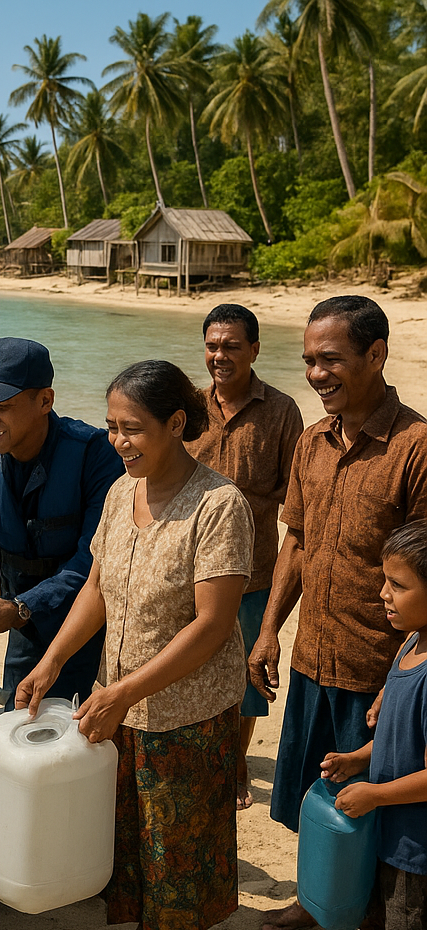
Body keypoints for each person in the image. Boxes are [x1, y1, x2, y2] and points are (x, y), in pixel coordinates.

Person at [17, 360, 253, 930]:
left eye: (134, 428)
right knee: (131, 836)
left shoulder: (218, 504)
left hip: (186, 711)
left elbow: (212, 626)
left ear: (177, 424)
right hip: (117, 699)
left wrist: (126, 692)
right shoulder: (124, 491)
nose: (120, 441)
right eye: (112, 427)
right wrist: (53, 659)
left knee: (176, 844)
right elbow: (96, 586)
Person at [248, 296, 427, 930]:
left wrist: (401, 677)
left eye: (331, 360)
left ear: (376, 354)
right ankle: (317, 894)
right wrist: (268, 632)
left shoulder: (415, 448)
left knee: (375, 812)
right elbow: (295, 541)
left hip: (380, 673)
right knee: (313, 792)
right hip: (311, 657)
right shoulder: (311, 441)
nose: (317, 375)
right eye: (308, 362)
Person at [0, 337, 123, 706]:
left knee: (79, 728)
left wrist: (24, 607)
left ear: (45, 401)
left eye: (1, 406)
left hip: (92, 618)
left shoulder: (95, 455)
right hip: (21, 621)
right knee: (19, 712)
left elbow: (94, 562)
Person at [185, 303, 303, 810]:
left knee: (248, 677)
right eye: (212, 345)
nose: (220, 356)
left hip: (254, 570)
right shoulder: (185, 406)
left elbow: (295, 497)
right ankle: (196, 756)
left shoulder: (282, 411)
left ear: (255, 349)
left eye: (232, 345)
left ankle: (234, 766)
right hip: (188, 565)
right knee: (188, 663)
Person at [309, 519, 427, 930]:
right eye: (385, 580)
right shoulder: (409, 644)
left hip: (415, 849)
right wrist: (360, 759)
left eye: (398, 585)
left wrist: (376, 796)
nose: (383, 594)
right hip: (387, 834)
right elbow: (400, 736)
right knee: (376, 926)